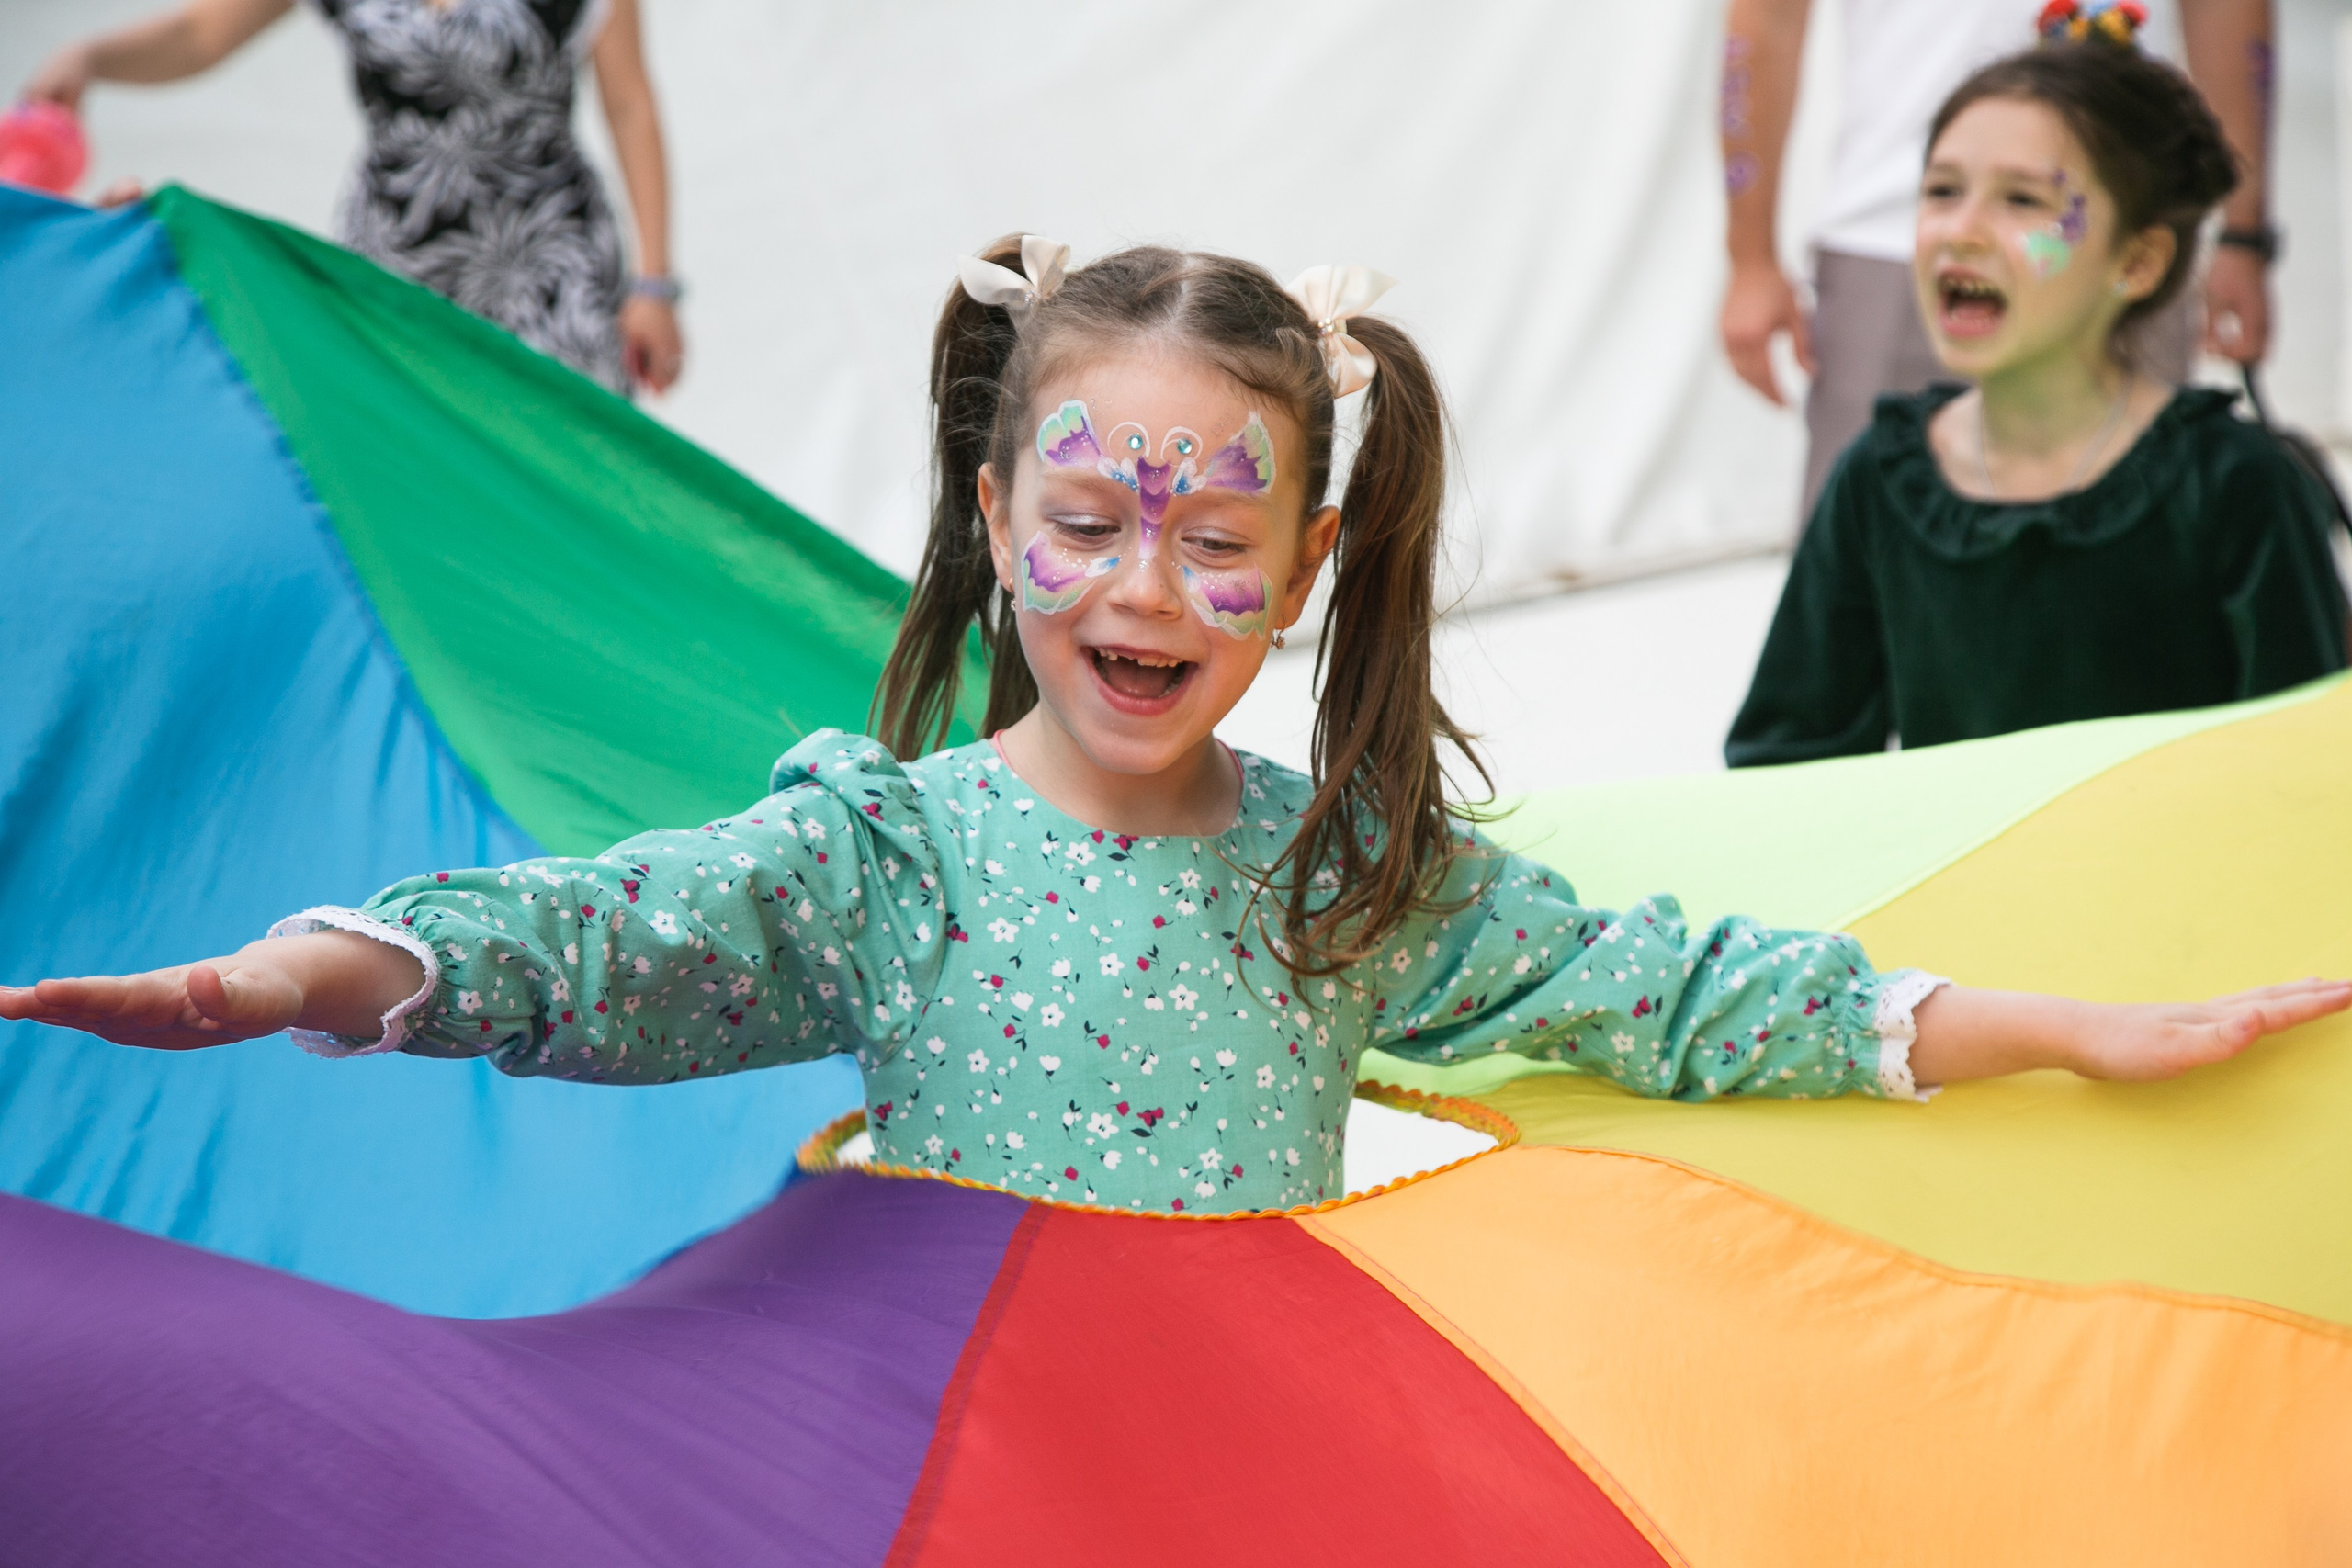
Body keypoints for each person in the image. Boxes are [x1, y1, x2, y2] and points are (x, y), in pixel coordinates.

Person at [6, 234, 2346, 1216]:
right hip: (965, 1449)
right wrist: (332, 968)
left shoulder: (1343, 873)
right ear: (998, 511)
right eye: (1092, 518)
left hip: (1245, 1464)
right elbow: (604, 932)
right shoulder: (881, 851)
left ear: (1308, 568)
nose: (1149, 589)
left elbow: (1679, 985)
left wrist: (2063, 1025)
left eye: (1218, 535)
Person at [1725, 25, 2348, 767]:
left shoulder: (2235, 485)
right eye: (1941, 191)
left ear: (2139, 259)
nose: (1962, 231)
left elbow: (2313, 766)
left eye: (2023, 200)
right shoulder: (1880, 481)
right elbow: (1787, 757)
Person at [1720, 0, 2279, 516]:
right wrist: (1750, 258)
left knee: (2144, 534)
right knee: (1874, 543)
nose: (1974, 233)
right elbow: (1768, 17)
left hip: (2114, 231)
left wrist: (2242, 235)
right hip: (1889, 243)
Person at [24, 0, 684, 396]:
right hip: (395, 264)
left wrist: (652, 285)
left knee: (565, 478)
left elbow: (630, 105)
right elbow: (201, 35)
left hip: (549, 262)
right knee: (417, 478)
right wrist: (91, 58)